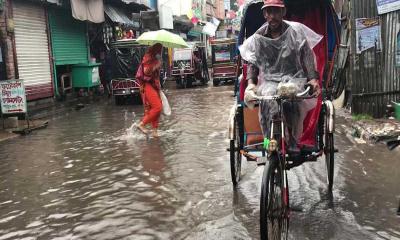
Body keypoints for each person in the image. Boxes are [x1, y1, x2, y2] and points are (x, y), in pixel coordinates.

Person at [240, 0, 322, 152]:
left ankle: (293, 142)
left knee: (292, 102)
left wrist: (313, 79)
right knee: (267, 103)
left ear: (283, 12)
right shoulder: (259, 36)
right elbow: (253, 62)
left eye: (276, 11)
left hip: (294, 78)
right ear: (265, 14)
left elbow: (307, 56)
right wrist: (251, 84)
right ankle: (268, 143)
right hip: (270, 81)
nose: (273, 16)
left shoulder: (295, 31)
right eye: (269, 12)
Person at [136, 43, 163, 138]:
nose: (160, 51)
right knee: (158, 107)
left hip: (154, 85)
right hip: (147, 85)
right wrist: (156, 66)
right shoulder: (148, 57)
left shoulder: (155, 58)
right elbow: (146, 70)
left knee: (155, 109)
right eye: (160, 49)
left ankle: (155, 131)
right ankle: (142, 124)